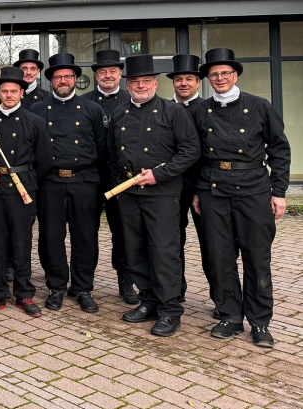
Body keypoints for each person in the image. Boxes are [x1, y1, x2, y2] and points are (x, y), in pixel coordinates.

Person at [192, 48, 291, 348]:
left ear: (235, 75)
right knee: (220, 257)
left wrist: (279, 192)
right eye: (214, 74)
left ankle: (260, 322)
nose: (220, 78)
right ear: (208, 79)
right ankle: (230, 315)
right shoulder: (201, 111)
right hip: (214, 190)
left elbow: (280, 150)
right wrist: (198, 190)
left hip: (253, 189)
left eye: (225, 73)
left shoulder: (259, 106)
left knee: (257, 257)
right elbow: (194, 155)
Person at [109, 54, 200, 337]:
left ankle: (170, 309)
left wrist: (159, 174)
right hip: (129, 193)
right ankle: (148, 300)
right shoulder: (119, 114)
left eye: (146, 80)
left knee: (164, 251)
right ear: (128, 85)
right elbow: (112, 156)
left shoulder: (174, 112)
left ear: (156, 82)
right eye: (135, 81)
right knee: (135, 249)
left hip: (162, 193)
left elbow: (190, 150)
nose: (140, 85)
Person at [29, 53, 107, 314]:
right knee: (51, 236)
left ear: (75, 79)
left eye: (68, 76)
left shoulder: (92, 109)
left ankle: (83, 287)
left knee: (85, 236)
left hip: (84, 180)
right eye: (58, 76)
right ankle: (56, 286)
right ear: (50, 79)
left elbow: (101, 147)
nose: (63, 80)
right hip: (50, 181)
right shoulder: (37, 110)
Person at [0, 67, 52, 317]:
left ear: (22, 92)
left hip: (22, 191)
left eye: (14, 91)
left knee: (21, 242)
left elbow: (44, 161)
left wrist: (28, 180)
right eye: (5, 91)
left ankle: (24, 294)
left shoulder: (35, 122)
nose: (9, 95)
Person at [81, 49, 137, 305]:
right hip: (90, 177)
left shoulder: (131, 100)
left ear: (120, 74)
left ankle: (126, 282)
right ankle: (84, 283)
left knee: (123, 232)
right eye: (102, 72)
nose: (107, 75)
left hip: (121, 179)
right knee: (86, 231)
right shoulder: (83, 102)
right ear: (95, 75)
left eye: (112, 71)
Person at [167, 54, 209, 304]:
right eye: (179, 79)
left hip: (202, 187)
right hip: (170, 186)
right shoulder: (163, 108)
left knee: (211, 244)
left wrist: (202, 188)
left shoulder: (208, 109)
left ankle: (220, 298)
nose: (183, 83)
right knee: (171, 242)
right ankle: (175, 290)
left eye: (189, 79)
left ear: (198, 82)